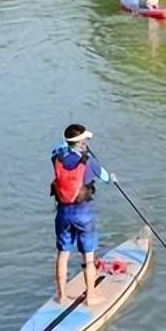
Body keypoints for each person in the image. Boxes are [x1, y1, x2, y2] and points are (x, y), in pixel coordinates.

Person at [51, 124, 116, 307]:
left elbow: (59, 147)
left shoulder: (57, 157)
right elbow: (105, 178)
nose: (87, 141)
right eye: (85, 139)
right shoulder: (89, 162)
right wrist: (113, 178)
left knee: (63, 254)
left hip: (62, 213)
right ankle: (91, 296)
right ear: (80, 142)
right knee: (88, 255)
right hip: (83, 214)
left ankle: (61, 296)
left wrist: (74, 145)